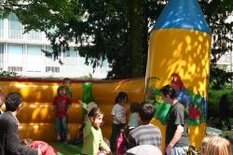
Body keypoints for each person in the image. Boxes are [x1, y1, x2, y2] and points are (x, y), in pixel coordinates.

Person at [160, 84, 190, 155]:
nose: (162, 98)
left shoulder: (178, 108)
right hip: (175, 146)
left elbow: (180, 129)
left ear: (167, 96)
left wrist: (170, 146)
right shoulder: (173, 107)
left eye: (162, 97)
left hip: (178, 146)